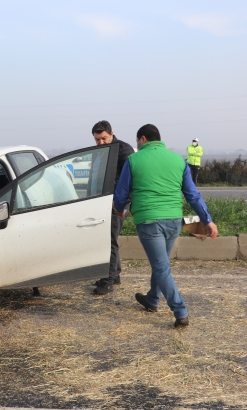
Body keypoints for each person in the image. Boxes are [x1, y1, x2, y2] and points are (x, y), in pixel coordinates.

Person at [113, 124, 218, 328]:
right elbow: (193, 195)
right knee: (160, 263)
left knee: (161, 267)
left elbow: (121, 194)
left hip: (149, 221)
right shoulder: (178, 160)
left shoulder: (134, 160)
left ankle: (181, 312)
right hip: (173, 221)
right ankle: (152, 299)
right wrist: (207, 220)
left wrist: (119, 209)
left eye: (137, 141)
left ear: (143, 139)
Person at [90, 120, 135, 295]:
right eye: (97, 140)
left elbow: (130, 180)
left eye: (104, 138)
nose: (101, 142)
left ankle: (108, 279)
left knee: (110, 240)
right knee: (108, 238)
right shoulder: (100, 152)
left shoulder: (123, 150)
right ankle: (114, 275)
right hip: (102, 201)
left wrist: (120, 203)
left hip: (117, 203)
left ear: (111, 133)